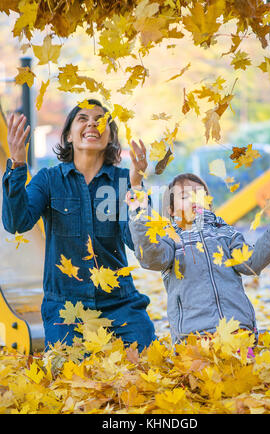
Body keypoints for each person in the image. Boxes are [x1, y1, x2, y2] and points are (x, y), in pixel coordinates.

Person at [2, 98, 156, 352]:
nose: (92, 124)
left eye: (100, 120)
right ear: (69, 135)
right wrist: (17, 164)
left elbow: (137, 243)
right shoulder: (48, 180)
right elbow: (16, 223)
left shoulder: (122, 181)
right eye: (83, 119)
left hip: (119, 303)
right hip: (66, 307)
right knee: (70, 375)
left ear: (110, 138)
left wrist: (137, 187)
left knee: (148, 360)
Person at [126, 172, 270, 345]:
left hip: (237, 331)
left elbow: (251, 262)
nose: (194, 199)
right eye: (185, 196)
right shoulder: (170, 239)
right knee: (203, 373)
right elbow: (151, 257)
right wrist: (138, 212)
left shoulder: (225, 233)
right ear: (171, 210)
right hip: (193, 338)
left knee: (242, 372)